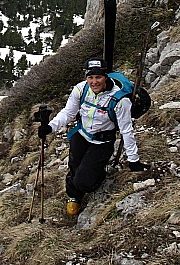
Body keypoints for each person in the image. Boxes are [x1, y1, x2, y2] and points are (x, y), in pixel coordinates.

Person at [38, 57, 148, 216]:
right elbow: (68, 113)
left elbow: (126, 130)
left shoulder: (120, 100)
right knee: (74, 168)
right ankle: (74, 196)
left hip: (102, 142)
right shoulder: (81, 89)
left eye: (98, 77)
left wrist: (134, 160)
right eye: (90, 77)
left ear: (106, 76)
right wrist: (50, 128)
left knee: (83, 180)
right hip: (80, 135)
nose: (94, 81)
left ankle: (97, 176)